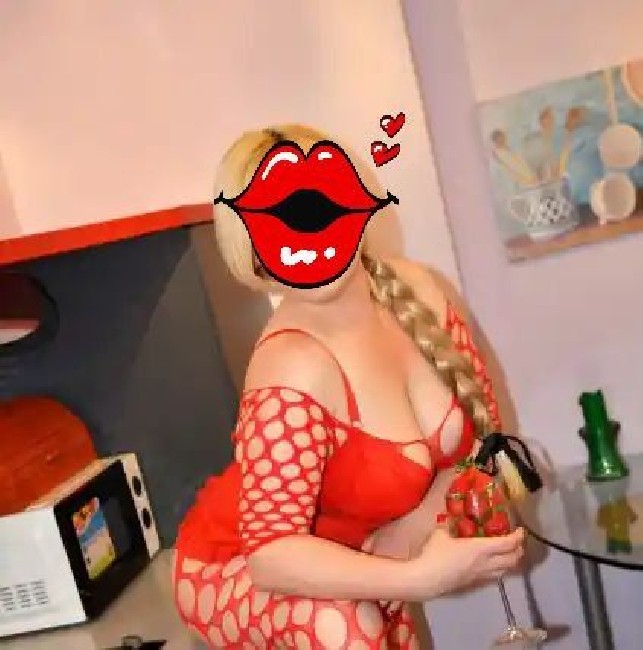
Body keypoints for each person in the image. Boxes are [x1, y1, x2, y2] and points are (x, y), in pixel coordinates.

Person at [172, 124, 525, 649]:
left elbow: (481, 444)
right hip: (229, 566)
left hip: (350, 557)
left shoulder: (418, 290)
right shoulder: (293, 364)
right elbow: (271, 556)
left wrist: (416, 526)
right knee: (340, 621)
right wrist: (419, 578)